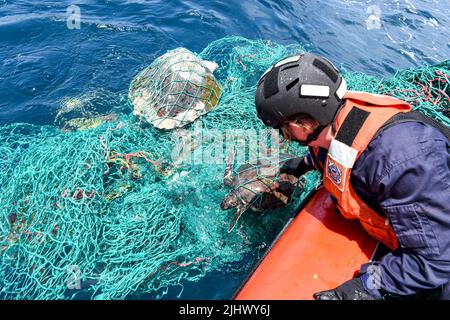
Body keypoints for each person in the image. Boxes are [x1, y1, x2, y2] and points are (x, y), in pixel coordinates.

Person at [255, 53, 450, 300]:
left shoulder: (403, 161)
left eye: (284, 129)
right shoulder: (347, 122)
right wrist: (298, 168)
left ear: (306, 120)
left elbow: (435, 261)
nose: (284, 137)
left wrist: (364, 287)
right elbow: (338, 154)